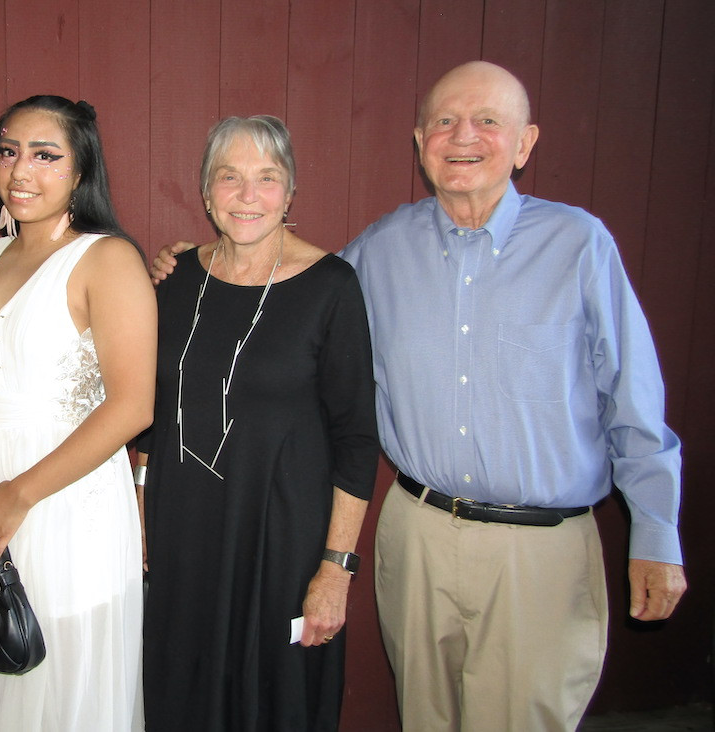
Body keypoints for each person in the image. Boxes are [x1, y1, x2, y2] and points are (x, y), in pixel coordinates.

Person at [152, 62, 687, 731]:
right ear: (420, 140)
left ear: (524, 144)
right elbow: (284, 303)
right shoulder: (382, 248)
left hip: (537, 548)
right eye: (444, 121)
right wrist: (186, 265)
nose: (463, 136)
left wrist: (657, 533)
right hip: (420, 533)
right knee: (427, 719)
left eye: (488, 121)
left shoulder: (578, 244)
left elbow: (633, 396)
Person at [138, 115, 378, 732]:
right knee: (182, 693)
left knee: (273, 701)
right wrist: (139, 513)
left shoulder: (331, 287)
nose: (248, 195)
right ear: (206, 194)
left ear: (291, 192)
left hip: (282, 540)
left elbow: (356, 440)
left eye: (267, 178)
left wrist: (335, 569)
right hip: (184, 533)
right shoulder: (175, 278)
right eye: (230, 178)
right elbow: (150, 416)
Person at [0, 95, 155, 731]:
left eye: (46, 155)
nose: (21, 171)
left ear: (79, 171)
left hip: (64, 501)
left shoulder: (108, 258)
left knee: (63, 677)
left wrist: (22, 494)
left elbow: (132, 406)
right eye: (9, 151)